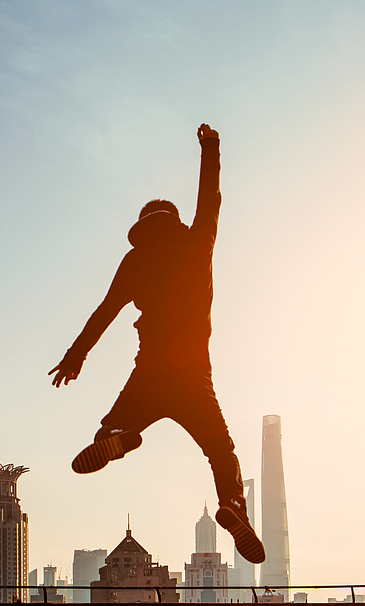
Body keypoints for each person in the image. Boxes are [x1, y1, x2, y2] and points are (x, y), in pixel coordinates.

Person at [49, 123, 265, 564]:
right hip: (192, 375)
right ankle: (233, 504)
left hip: (150, 372)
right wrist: (211, 148)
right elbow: (211, 199)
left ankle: (119, 435)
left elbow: (105, 311)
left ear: (144, 226)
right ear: (173, 219)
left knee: (108, 429)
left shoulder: (135, 260)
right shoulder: (196, 242)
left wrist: (75, 358)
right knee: (220, 450)